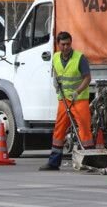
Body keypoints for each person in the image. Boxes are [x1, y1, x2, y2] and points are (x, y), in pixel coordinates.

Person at [40, 31, 94, 171]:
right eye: (63, 44)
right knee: (59, 131)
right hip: (63, 101)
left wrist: (77, 92)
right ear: (58, 45)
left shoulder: (80, 58)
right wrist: (55, 83)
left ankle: (89, 161)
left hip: (79, 100)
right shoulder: (56, 58)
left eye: (68, 44)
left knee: (84, 130)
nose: (66, 47)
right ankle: (54, 162)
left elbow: (87, 78)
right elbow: (56, 75)